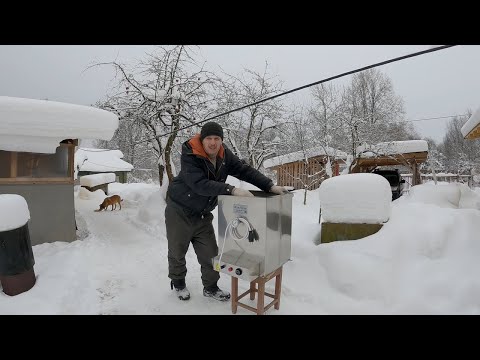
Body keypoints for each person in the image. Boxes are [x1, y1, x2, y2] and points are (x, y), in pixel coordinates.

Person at [165, 121, 288, 301]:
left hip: (203, 214)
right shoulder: (190, 154)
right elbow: (198, 184)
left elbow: (245, 171)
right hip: (179, 211)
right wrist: (231, 190)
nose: (213, 143)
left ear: (221, 140)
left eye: (217, 139)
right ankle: (178, 283)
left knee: (210, 254)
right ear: (202, 139)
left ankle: (211, 287)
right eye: (209, 138)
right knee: (177, 251)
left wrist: (269, 186)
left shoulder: (224, 155)